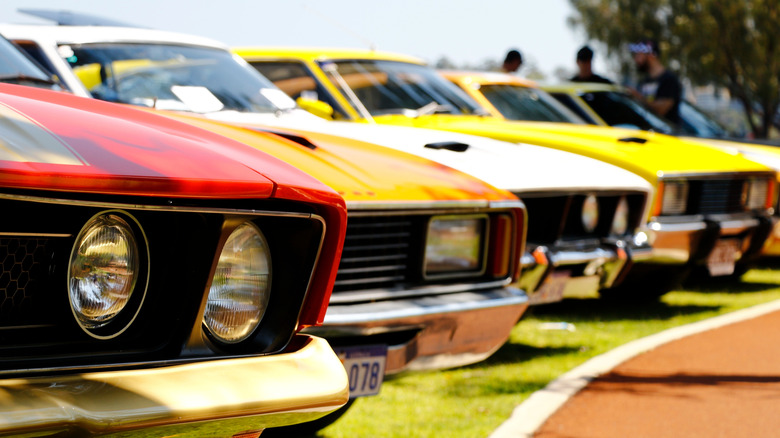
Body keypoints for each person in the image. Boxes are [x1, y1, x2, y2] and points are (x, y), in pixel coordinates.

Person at [629, 39, 682, 123]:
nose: (636, 60)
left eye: (639, 55)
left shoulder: (669, 80)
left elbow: (661, 110)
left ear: (651, 55)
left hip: (665, 134)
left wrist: (638, 97)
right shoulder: (644, 81)